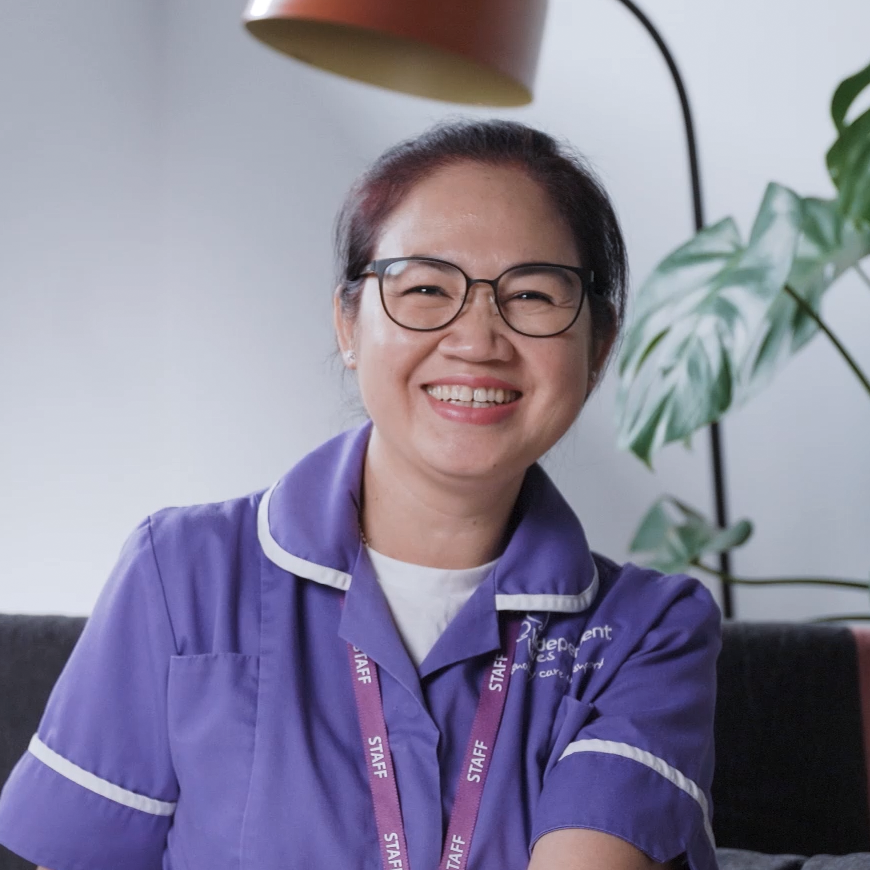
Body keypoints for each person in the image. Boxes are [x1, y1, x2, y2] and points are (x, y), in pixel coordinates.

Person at [0, 119, 721, 870]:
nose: (478, 338)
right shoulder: (180, 574)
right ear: (349, 324)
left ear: (597, 346)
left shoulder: (649, 632)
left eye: (533, 295)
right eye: (425, 288)